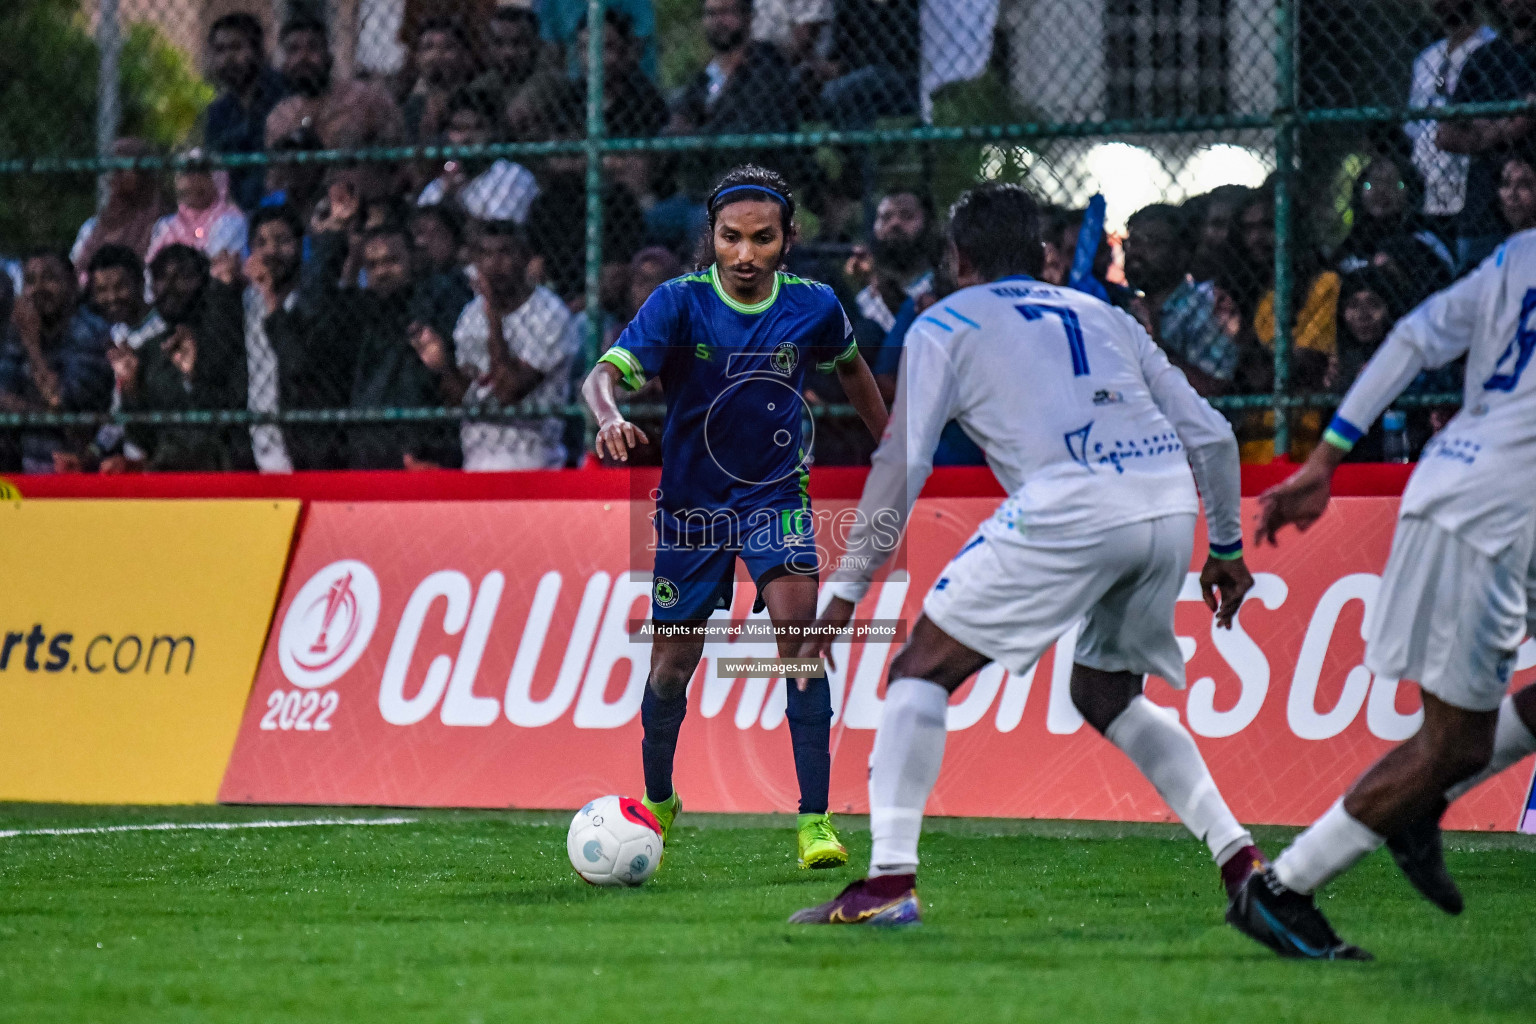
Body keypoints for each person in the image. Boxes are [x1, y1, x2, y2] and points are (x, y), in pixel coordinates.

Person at [786, 184, 1284, 943]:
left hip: (1071, 504)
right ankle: (1240, 859)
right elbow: (1213, 436)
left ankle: (888, 882)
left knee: (920, 670)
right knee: (1106, 693)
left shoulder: (943, 321)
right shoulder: (1105, 313)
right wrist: (1224, 548)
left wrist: (846, 592)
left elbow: (902, 463)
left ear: (958, 259)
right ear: (1043, 256)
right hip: (1167, 505)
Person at [581, 165, 888, 869]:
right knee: (670, 670)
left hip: (776, 500)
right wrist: (609, 417)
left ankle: (816, 821)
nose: (745, 254)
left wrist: (891, 442)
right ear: (710, 238)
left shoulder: (814, 305)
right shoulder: (677, 304)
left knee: (801, 647)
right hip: (692, 511)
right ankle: (659, 798)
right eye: (730, 238)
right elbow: (603, 375)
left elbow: (850, 368)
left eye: (762, 239)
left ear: (787, 240)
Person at [1242, 225, 1536, 959]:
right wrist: (1323, 460)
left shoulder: (1519, 252)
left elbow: (1412, 337)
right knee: (1452, 744)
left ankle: (1417, 804)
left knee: (1455, 745)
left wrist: (1329, 454)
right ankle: (1281, 890)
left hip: (1468, 489)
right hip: (1492, 515)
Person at [409, 220, 577, 470]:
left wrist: (493, 317)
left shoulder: (550, 313)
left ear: (525, 259)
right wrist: (442, 366)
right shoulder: (471, 312)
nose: (494, 264)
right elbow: (463, 396)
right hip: (475, 457)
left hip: (533, 459)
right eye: (485, 254)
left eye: (505, 253)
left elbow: (507, 391)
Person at [232, 204, 356, 471]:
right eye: (261, 242)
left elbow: (298, 362)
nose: (270, 252)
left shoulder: (316, 304)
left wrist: (271, 300)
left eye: (282, 241)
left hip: (308, 449)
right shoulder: (243, 303)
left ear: (300, 247)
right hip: (254, 445)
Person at [340, 224, 463, 469]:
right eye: (373, 265)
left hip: (424, 445)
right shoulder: (364, 312)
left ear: (414, 259)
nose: (382, 271)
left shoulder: (440, 297)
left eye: (391, 261)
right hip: (369, 446)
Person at [119, 244, 246, 471]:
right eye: (161, 278)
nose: (169, 287)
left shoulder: (227, 338)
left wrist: (195, 377)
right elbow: (142, 439)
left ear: (203, 282)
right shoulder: (149, 351)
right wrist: (130, 391)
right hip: (166, 473)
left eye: (182, 277)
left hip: (223, 472)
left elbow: (229, 419)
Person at [265, 12, 405, 202]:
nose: (303, 57)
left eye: (313, 47)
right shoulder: (279, 117)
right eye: (293, 50)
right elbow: (275, 181)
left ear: (328, 53)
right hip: (303, 216)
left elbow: (401, 161)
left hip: (363, 209)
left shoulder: (366, 99)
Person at [1439, 0, 1536, 270]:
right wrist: (1507, 127)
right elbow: (1446, 134)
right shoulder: (1486, 58)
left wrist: (1482, 128)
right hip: (1485, 211)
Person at [670, 0, 805, 193]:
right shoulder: (708, 74)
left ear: (748, 18)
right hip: (701, 186)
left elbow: (748, 127)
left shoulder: (766, 68)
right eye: (711, 14)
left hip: (749, 186)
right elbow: (681, 114)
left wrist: (697, 135)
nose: (718, 21)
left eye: (726, 12)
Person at [0, 252, 113, 473]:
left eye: (49, 278)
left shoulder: (91, 332)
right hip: (25, 460)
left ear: (72, 284)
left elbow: (63, 408)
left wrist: (32, 346)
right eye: (30, 281)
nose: (38, 288)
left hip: (78, 464)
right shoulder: (22, 330)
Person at [1122, 203, 1236, 397]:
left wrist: (1154, 346)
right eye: (1133, 242)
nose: (1136, 252)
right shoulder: (1126, 309)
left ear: (1181, 254)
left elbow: (1214, 387)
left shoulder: (1206, 309)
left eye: (1151, 242)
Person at [1406, 1, 1498, 241]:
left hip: (1477, 190)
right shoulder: (1426, 60)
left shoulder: (1492, 49)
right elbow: (1414, 129)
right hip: (1429, 190)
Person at [1332, 154, 1454, 302]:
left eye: (1394, 184)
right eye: (1371, 185)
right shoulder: (1350, 246)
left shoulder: (1423, 240)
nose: (1381, 191)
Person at [202, 12, 288, 211]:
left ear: (257, 51)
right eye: (220, 50)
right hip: (236, 211)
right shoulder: (219, 112)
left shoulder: (283, 96)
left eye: (236, 47)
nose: (228, 58)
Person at [416, 88, 540, 223]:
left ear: (491, 131)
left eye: (476, 128)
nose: (465, 138)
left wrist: (451, 201)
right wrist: (448, 193)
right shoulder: (441, 183)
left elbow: (498, 233)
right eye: (458, 128)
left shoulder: (512, 174)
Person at [70, 138, 168, 280]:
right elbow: (78, 268)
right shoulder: (96, 226)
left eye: (123, 168)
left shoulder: (161, 224)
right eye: (114, 168)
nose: (116, 175)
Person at [146, 152, 250, 265]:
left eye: (202, 174)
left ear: (217, 180)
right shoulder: (166, 226)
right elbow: (152, 268)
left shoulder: (232, 223)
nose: (192, 182)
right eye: (186, 173)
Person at [538, 0, 658, 80]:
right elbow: (551, 48)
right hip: (578, 81)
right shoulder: (553, 3)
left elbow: (639, 39)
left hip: (631, 84)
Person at [403, 17, 478, 144]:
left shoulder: (476, 99)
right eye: (428, 47)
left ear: (465, 56)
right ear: (417, 57)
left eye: (448, 47)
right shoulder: (407, 102)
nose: (436, 54)